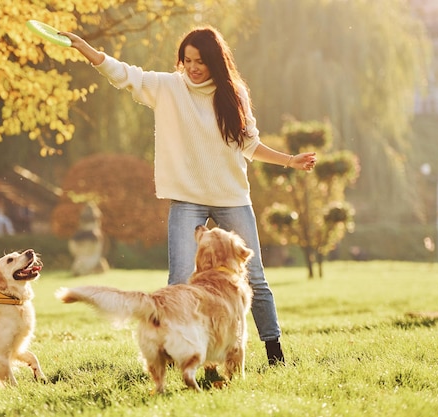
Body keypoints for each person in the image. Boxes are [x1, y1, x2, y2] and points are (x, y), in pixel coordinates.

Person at [61, 26, 317, 366]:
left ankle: (274, 352)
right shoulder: (169, 87)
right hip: (186, 198)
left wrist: (289, 161)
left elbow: (249, 145)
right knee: (179, 278)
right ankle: (175, 350)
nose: (193, 67)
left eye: (200, 61)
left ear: (215, 62)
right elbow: (124, 74)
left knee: (254, 277)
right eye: (187, 60)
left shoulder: (234, 94)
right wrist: (87, 51)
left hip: (231, 196)